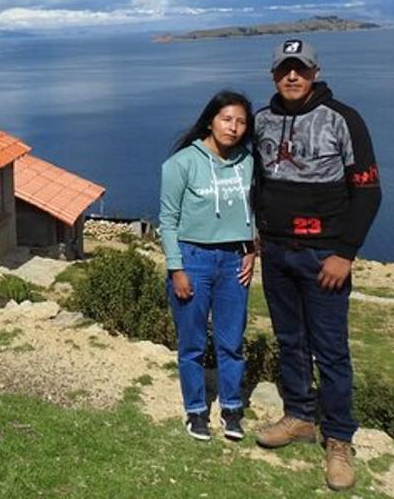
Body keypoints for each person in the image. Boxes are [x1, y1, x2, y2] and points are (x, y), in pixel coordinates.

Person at [253, 39, 381, 491]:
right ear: (273, 75)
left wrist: (345, 252)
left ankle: (340, 438)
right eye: (284, 70)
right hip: (277, 253)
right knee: (290, 341)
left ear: (315, 71)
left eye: (300, 69)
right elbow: (256, 180)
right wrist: (256, 236)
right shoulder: (262, 121)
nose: (292, 77)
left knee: (330, 349)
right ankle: (299, 416)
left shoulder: (344, 119)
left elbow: (367, 191)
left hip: (324, 256)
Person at [159, 90, 257, 442]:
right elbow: (167, 221)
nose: (234, 128)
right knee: (193, 344)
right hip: (193, 259)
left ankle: (231, 410)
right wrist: (177, 268)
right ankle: (196, 412)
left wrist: (252, 248)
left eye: (241, 122)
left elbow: (254, 209)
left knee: (232, 342)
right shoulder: (181, 164)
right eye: (227, 119)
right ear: (210, 120)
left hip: (234, 262)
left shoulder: (248, 162)